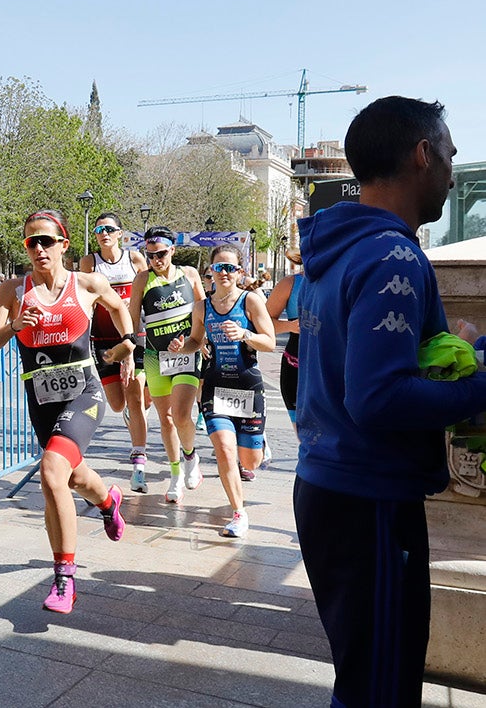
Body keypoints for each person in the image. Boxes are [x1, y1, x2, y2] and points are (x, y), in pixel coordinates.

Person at [293, 96, 486, 707]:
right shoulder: (393, 255)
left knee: (367, 675)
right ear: (422, 155)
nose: (454, 171)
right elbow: (377, 399)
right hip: (370, 502)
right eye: (450, 153)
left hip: (330, 485)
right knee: (381, 687)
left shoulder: (336, 251)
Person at [0, 210, 134, 614]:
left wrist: (129, 343)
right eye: (32, 242)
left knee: (51, 471)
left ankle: (65, 577)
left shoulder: (87, 283)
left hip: (84, 390)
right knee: (72, 474)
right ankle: (107, 500)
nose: (39, 249)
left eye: (47, 240)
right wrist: (14, 326)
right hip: (41, 398)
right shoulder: (14, 291)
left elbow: (119, 308)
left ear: (64, 244)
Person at [169, 245, 275, 537]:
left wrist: (246, 334)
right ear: (211, 271)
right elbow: (195, 340)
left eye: (230, 268)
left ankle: (259, 443)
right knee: (225, 451)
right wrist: (183, 346)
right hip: (216, 388)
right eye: (219, 267)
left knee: (249, 461)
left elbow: (270, 341)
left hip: (248, 386)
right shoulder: (202, 307)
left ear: (240, 272)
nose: (224, 273)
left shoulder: (250, 301)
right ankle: (239, 513)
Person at [129, 225, 206, 503]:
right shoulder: (142, 279)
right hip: (155, 357)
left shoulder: (189, 274)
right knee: (167, 419)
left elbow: (203, 310)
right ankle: (176, 476)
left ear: (173, 250)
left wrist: (202, 341)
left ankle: (191, 455)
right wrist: (129, 351)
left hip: (185, 354)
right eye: (150, 255)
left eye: (161, 253)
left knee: (183, 415)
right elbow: (131, 318)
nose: (156, 260)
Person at [79, 213, 151, 491]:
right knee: (118, 404)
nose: (104, 233)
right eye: (99, 230)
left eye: (109, 229)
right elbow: (85, 298)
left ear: (120, 233)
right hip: (104, 338)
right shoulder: (89, 262)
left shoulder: (134, 260)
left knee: (136, 399)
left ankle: (138, 466)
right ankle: (133, 414)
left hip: (135, 336)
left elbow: (147, 293)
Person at [265, 246, 304, 433]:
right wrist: (290, 326)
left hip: (332, 369)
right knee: (303, 435)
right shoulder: (290, 284)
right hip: (295, 366)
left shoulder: (340, 280)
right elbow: (263, 322)